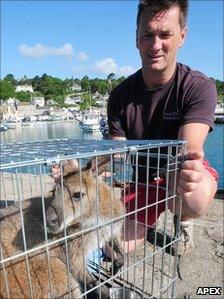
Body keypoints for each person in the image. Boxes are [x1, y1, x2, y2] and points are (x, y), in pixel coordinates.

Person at [107, 0, 218, 254]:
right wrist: (84, 170)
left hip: (173, 174)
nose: (156, 45)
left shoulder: (198, 87)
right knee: (115, 247)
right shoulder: (119, 96)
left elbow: (187, 149)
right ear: (137, 38)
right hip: (143, 181)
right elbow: (115, 153)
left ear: (182, 35)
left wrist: (188, 170)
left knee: (194, 193)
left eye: (165, 34)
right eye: (148, 34)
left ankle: (184, 221)